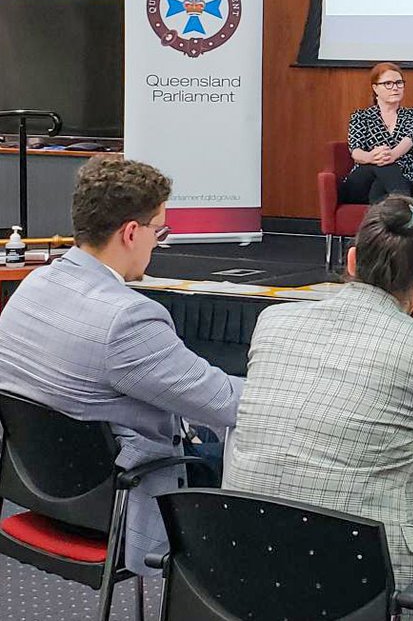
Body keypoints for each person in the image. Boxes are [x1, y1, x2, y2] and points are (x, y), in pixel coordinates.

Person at [223, 195, 413, 621]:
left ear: (354, 260)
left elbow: (327, 419)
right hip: (377, 593)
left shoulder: (274, 322)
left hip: (248, 572)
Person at [0, 157, 243, 574]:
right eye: (158, 231)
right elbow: (225, 403)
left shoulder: (32, 285)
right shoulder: (127, 319)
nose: (158, 243)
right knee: (261, 465)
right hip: (122, 505)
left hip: (41, 490)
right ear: (131, 232)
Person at [340, 61, 413, 203]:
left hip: (404, 179)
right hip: (362, 184)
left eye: (399, 83)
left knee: (379, 187)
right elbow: (356, 152)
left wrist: (392, 155)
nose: (395, 88)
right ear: (375, 88)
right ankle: (405, 206)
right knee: (382, 166)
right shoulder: (360, 117)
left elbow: (410, 138)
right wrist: (372, 157)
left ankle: (390, 211)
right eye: (388, 84)